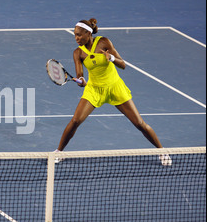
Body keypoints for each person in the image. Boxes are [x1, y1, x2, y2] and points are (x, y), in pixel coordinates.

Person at [54, 18, 171, 165]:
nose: (76, 38)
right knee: (76, 120)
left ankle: (162, 151)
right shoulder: (78, 53)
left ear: (88, 33)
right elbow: (80, 76)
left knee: (139, 123)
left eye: (79, 35)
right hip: (95, 89)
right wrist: (81, 81)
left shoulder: (104, 42)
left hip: (115, 87)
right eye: (75, 35)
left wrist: (112, 58)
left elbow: (123, 65)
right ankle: (58, 152)